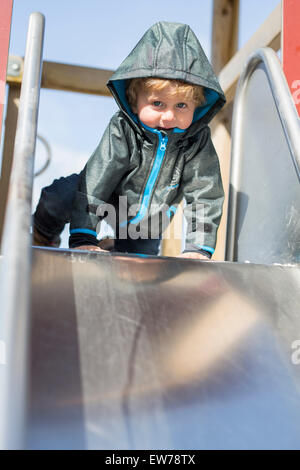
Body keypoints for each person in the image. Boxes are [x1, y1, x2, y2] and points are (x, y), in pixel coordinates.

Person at [33, 21, 226, 260]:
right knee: (62, 194)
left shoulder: (196, 141)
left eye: (181, 105)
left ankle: (113, 245)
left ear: (196, 107)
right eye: (157, 103)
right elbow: (97, 179)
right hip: (106, 200)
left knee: (137, 267)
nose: (169, 116)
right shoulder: (123, 129)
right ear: (134, 102)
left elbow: (205, 192)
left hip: (148, 224)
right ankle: (43, 235)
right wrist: (84, 237)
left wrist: (198, 248)